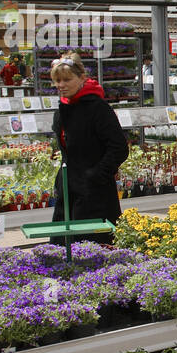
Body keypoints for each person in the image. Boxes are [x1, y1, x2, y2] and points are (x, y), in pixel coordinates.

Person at [49, 53, 129, 243]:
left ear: (82, 78)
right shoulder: (62, 109)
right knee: (63, 248)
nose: (61, 85)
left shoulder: (98, 108)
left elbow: (119, 148)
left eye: (67, 80)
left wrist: (96, 175)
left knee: (92, 249)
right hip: (69, 191)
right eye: (57, 80)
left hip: (95, 193)